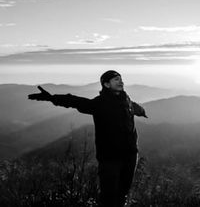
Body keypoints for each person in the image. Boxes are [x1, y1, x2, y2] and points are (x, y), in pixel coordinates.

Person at [28, 70, 148, 207]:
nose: (121, 82)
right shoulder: (99, 104)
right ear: (107, 84)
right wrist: (51, 98)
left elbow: (135, 107)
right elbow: (74, 101)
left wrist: (142, 111)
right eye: (116, 79)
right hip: (110, 159)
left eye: (121, 79)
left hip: (130, 156)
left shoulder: (126, 100)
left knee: (123, 194)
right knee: (108, 197)